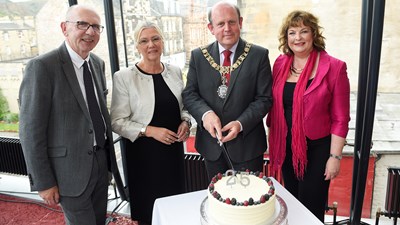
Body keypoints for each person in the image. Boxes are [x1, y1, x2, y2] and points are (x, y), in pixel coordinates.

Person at [19, 4, 123, 225]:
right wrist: (43, 181)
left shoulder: (97, 63)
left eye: (96, 26)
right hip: (67, 173)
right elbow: (30, 131)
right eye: (82, 24)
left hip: (100, 165)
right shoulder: (42, 67)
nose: (90, 31)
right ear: (64, 28)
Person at [266, 10, 350, 222]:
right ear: (286, 38)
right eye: (292, 32)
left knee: (311, 205)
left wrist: (335, 157)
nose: (298, 38)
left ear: (314, 34)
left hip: (317, 149)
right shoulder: (280, 63)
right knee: (290, 201)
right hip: (285, 146)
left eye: (304, 31)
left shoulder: (334, 67)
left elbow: (341, 118)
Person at [110, 21, 190, 225]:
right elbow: (117, 122)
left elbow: (184, 107)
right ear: (137, 47)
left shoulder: (174, 71)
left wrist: (186, 122)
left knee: (174, 206)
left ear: (162, 42)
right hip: (143, 157)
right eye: (144, 41)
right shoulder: (124, 77)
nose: (151, 45)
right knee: (148, 211)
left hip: (172, 154)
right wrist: (149, 130)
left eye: (155, 39)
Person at [182, 1, 272, 180]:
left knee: (249, 202)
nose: (227, 28)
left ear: (240, 22)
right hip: (211, 147)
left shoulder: (258, 55)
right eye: (220, 24)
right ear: (211, 28)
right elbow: (190, 94)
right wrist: (206, 114)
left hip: (248, 146)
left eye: (232, 22)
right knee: (218, 201)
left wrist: (240, 124)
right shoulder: (199, 56)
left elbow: (264, 99)